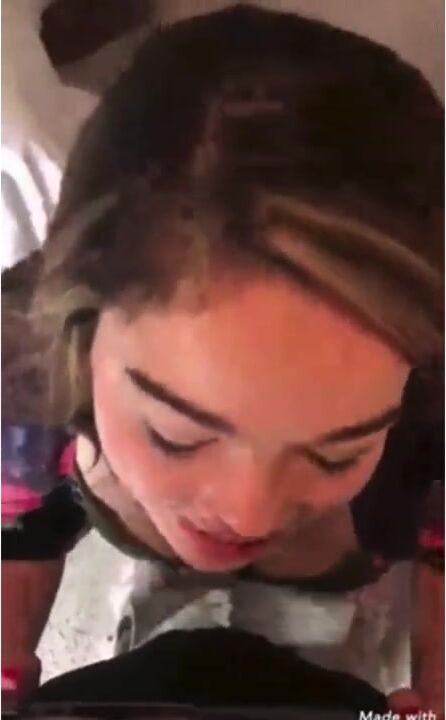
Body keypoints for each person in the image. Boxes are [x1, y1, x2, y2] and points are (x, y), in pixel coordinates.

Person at [2, 5, 443, 715]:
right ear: (75, 329)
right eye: (176, 435)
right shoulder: (19, 373)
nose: (248, 513)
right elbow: (17, 528)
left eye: (336, 453)